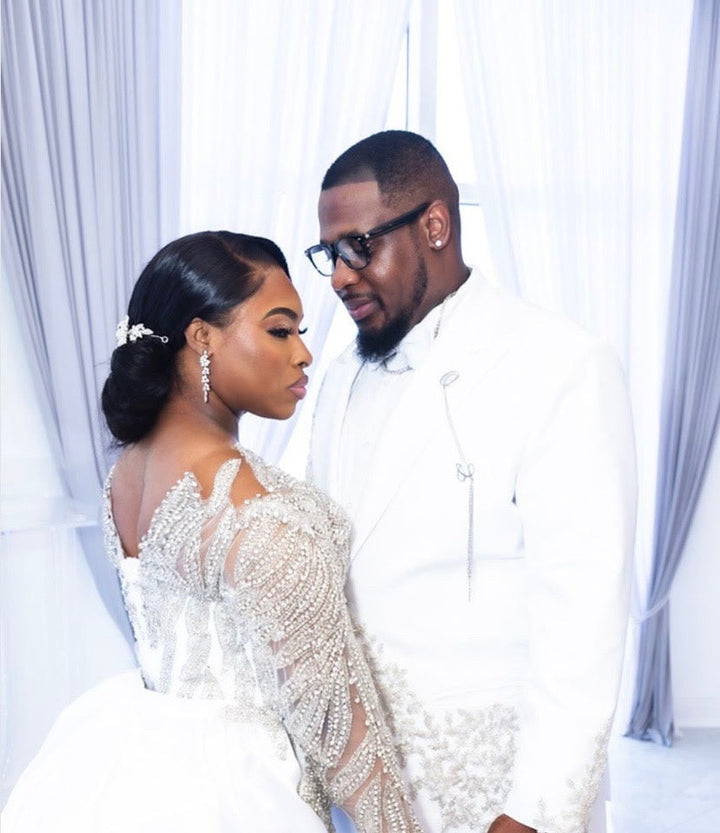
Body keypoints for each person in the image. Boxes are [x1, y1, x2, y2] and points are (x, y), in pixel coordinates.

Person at [3, 231, 421, 833]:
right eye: (280, 330)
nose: (303, 354)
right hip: (240, 794)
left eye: (301, 333)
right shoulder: (255, 505)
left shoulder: (125, 474)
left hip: (133, 778)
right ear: (201, 337)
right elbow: (336, 723)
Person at [306, 132, 637, 833]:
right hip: (365, 793)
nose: (338, 275)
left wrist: (534, 810)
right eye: (329, 253)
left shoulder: (562, 364)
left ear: (434, 224)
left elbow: (584, 617)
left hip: (496, 795)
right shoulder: (337, 381)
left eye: (358, 245)